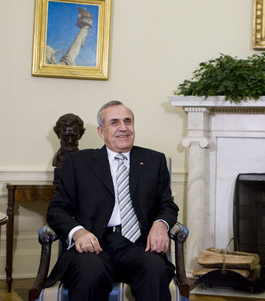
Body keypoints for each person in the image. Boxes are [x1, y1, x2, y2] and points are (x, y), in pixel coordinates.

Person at [44, 100, 179, 301]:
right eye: (114, 122)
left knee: (155, 271)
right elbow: (57, 210)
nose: (123, 128)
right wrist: (78, 232)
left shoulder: (154, 160)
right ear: (101, 131)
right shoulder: (78, 162)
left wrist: (160, 225)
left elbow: (167, 205)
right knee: (90, 273)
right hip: (93, 244)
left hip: (138, 245)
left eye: (128, 121)